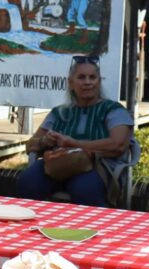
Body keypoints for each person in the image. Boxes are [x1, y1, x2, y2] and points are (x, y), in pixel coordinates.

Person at [17, 55, 133, 207]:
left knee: (83, 189)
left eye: (92, 77)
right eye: (81, 77)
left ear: (99, 81)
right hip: (58, 165)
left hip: (96, 166)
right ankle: (31, 225)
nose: (87, 82)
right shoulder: (59, 112)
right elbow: (30, 145)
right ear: (71, 83)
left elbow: (118, 145)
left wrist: (75, 144)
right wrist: (44, 141)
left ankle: (91, 228)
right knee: (27, 183)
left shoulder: (113, 110)